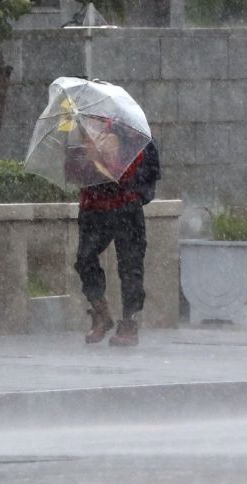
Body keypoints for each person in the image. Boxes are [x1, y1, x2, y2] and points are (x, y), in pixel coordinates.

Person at [71, 127, 160, 347]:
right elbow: (72, 173)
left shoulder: (129, 131)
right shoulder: (79, 133)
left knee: (130, 265)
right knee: (84, 259)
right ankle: (101, 312)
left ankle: (129, 322)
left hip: (125, 208)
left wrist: (109, 160)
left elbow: (136, 173)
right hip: (93, 207)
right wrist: (87, 158)